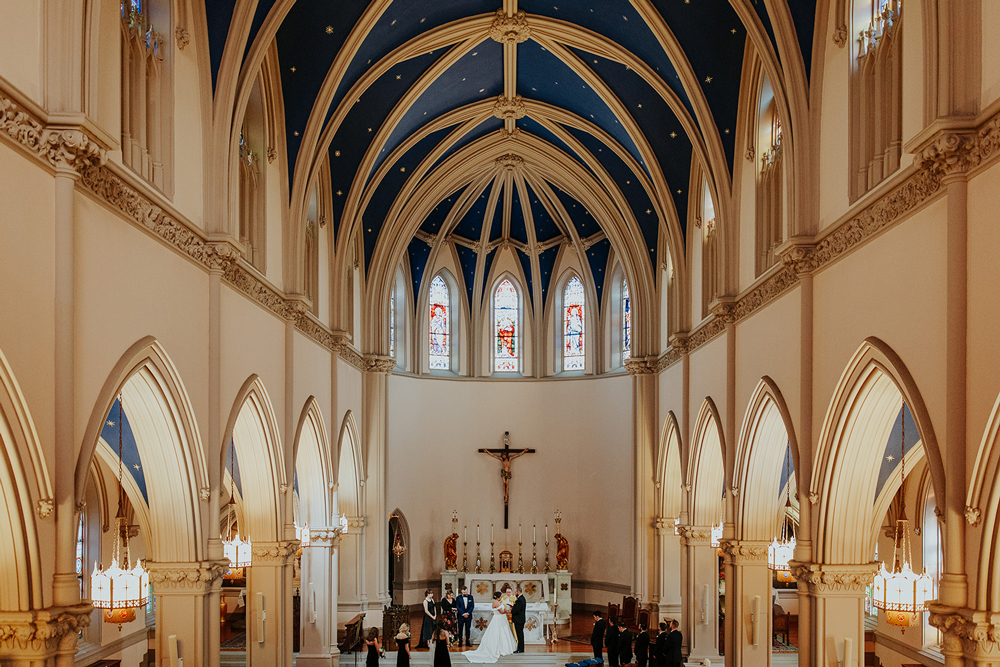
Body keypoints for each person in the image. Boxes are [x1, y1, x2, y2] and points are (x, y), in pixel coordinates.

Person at [464, 591, 516, 663]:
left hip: (500, 619)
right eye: (500, 596)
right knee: (497, 633)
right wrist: (507, 611)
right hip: (498, 619)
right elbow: (501, 612)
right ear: (498, 597)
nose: (501, 597)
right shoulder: (496, 602)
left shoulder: (497, 602)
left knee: (503, 633)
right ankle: (499, 648)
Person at [511, 586, 526, 653]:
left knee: (520, 635)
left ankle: (520, 649)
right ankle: (520, 648)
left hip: (519, 620)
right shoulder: (521, 598)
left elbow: (517, 610)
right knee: (520, 634)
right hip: (520, 619)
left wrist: (512, 610)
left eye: (515, 592)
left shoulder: (520, 599)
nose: (515, 593)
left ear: (518, 592)